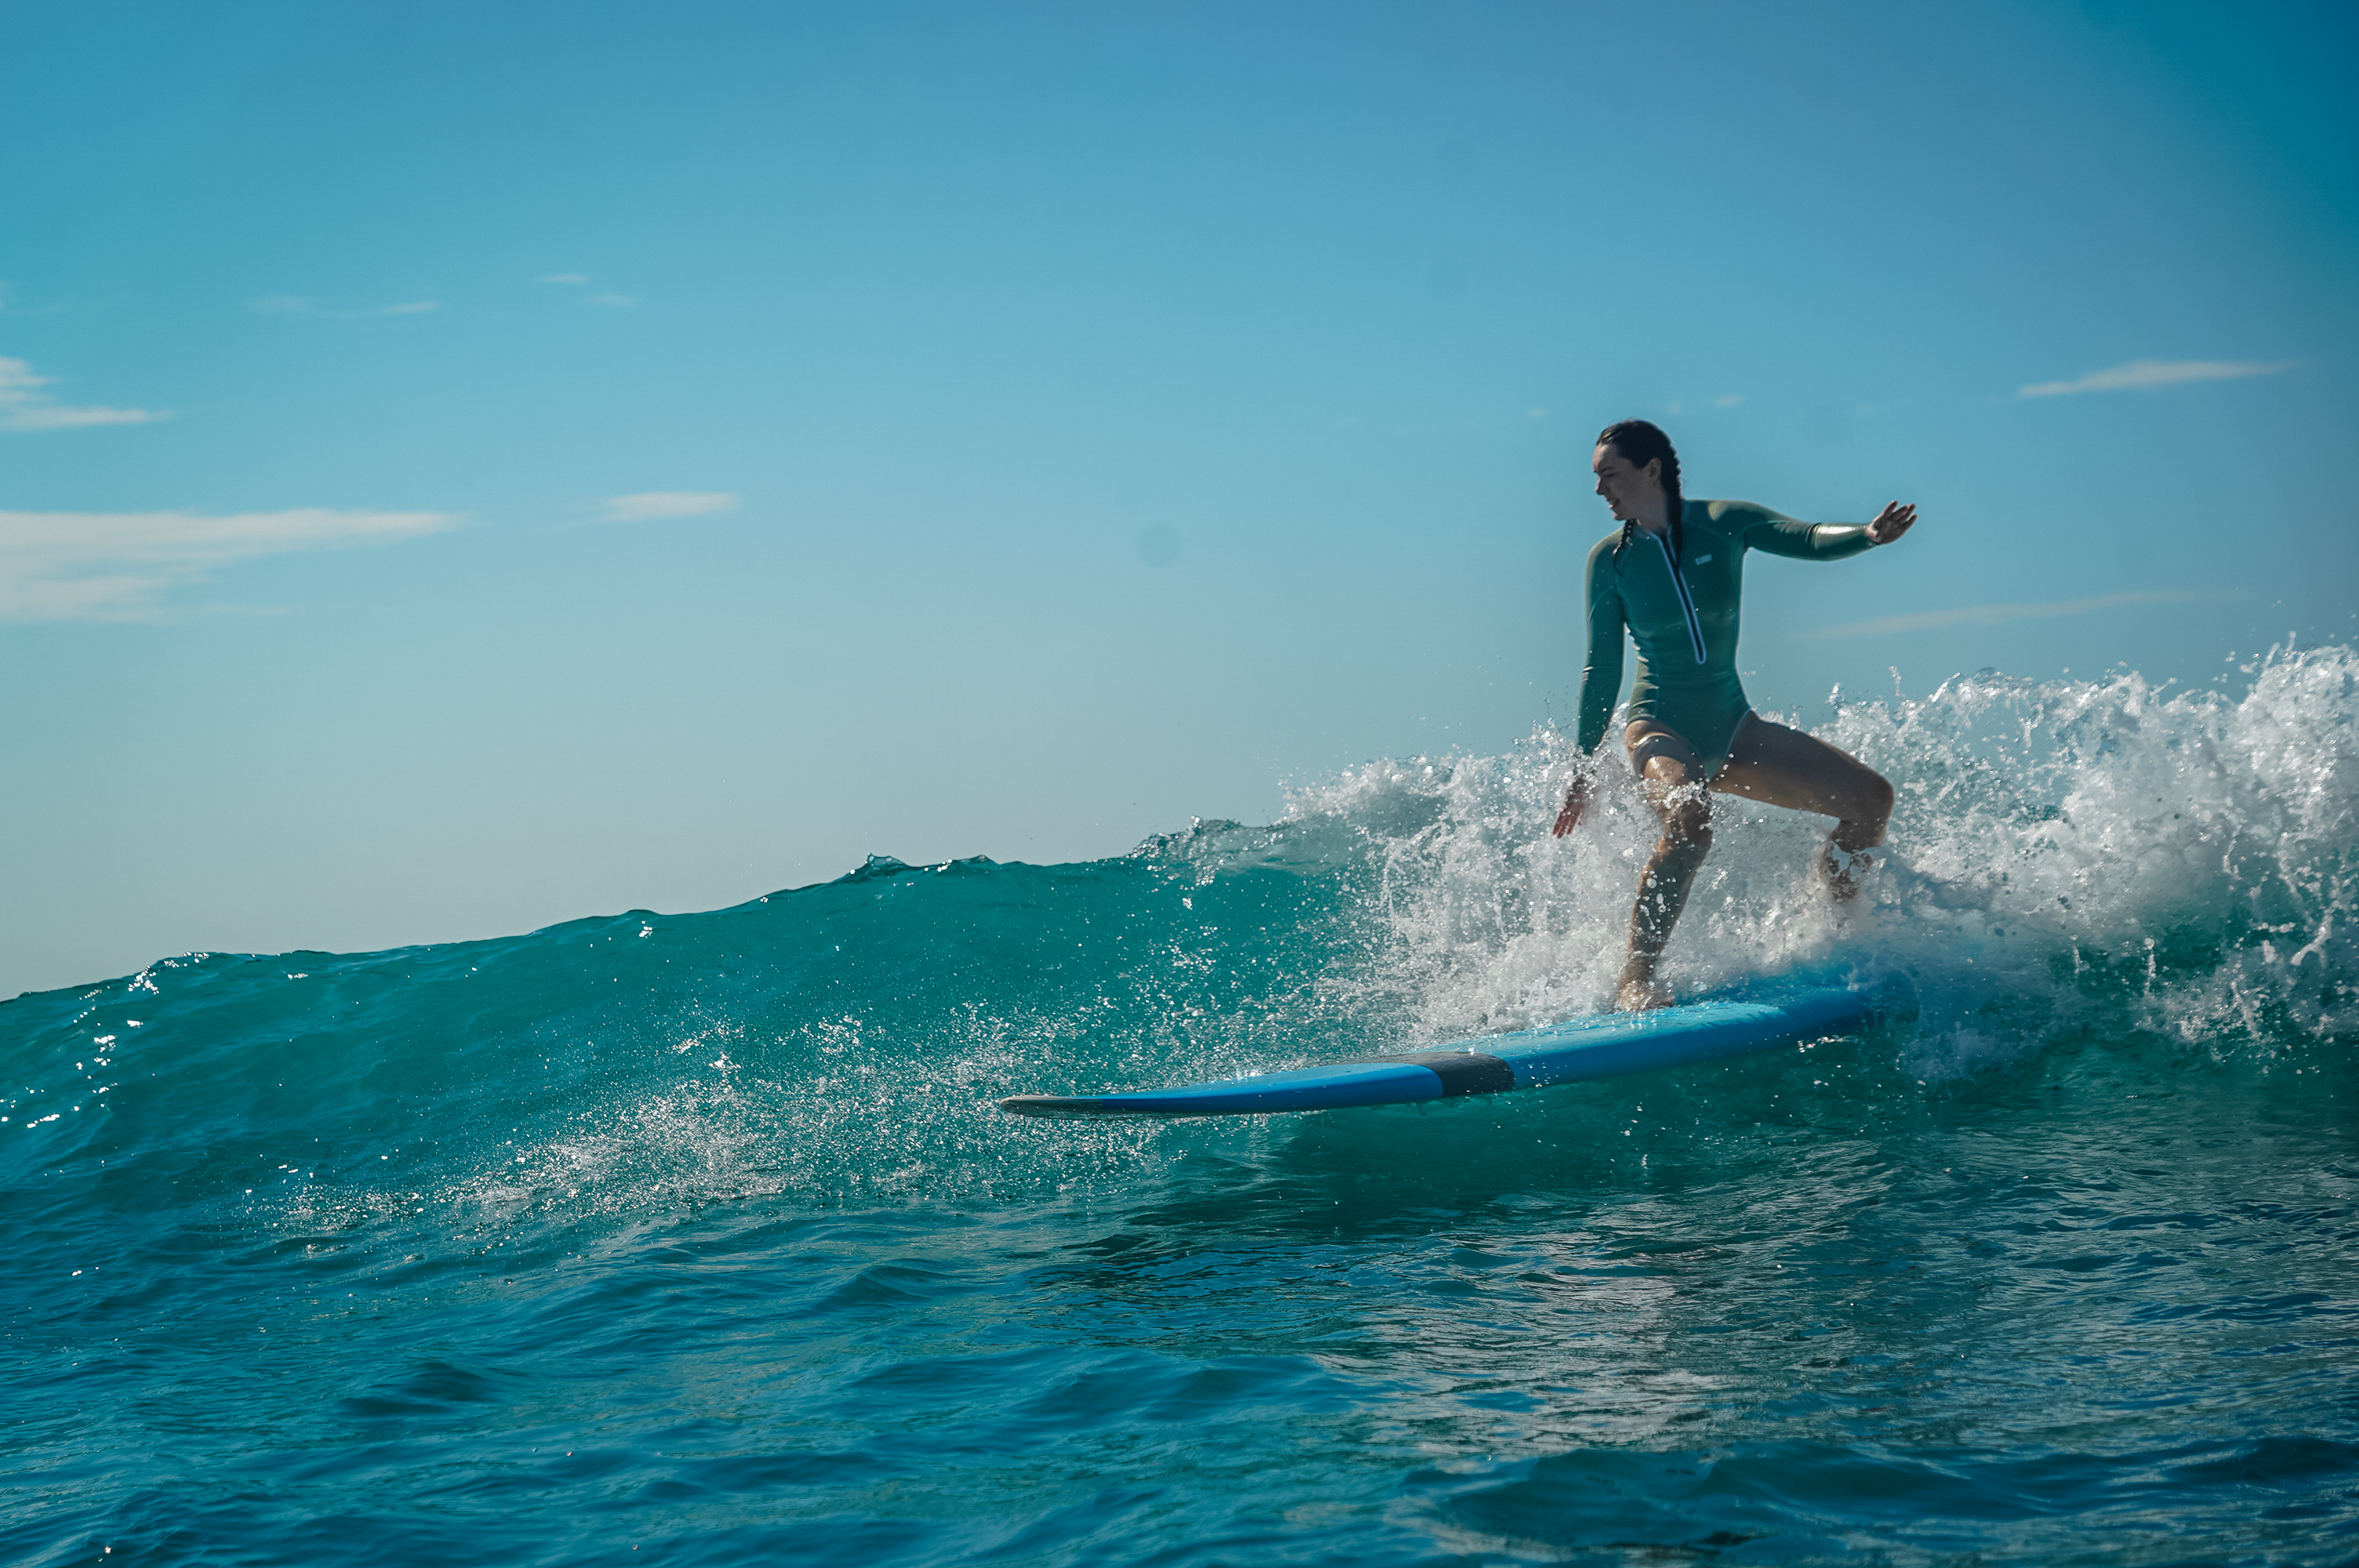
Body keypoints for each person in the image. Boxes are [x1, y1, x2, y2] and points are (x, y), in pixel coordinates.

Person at [1552, 419, 1917, 1011]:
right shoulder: (1610, 563)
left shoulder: (1724, 524)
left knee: (1870, 801)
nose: (1600, 490)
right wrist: (1582, 767)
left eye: (1609, 475)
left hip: (1733, 727)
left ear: (1651, 470)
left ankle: (1841, 932)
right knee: (1690, 819)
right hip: (1658, 728)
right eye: (1597, 479)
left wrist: (1868, 535)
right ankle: (1636, 980)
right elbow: (1601, 670)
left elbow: (1805, 537)